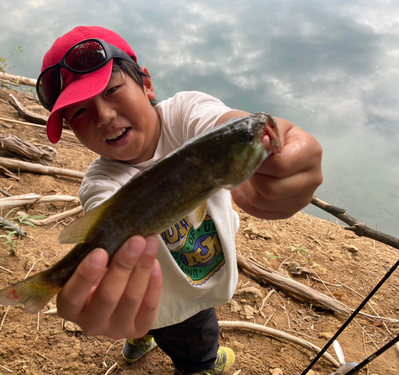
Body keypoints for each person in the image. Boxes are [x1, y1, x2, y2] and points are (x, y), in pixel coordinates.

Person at [37, 26, 323, 375]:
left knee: (150, 325)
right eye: (79, 112)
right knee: (194, 341)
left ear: (146, 84)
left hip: (168, 294)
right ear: (70, 129)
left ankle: (141, 338)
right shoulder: (100, 184)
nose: (105, 115)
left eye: (112, 89)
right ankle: (200, 365)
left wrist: (279, 150)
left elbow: (220, 124)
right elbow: (101, 214)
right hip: (170, 300)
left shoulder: (185, 113)